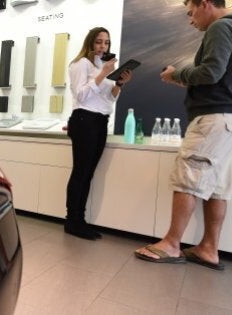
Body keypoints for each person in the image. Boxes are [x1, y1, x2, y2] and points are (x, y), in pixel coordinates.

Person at [135, 0, 232, 269]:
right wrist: (187, 79)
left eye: (191, 13)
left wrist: (175, 74)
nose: (190, 20)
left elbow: (211, 72)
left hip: (212, 119)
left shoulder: (221, 27)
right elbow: (218, 75)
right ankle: (208, 248)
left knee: (187, 176)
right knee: (217, 187)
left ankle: (171, 243)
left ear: (205, 4)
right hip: (230, 119)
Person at [65, 27, 132, 240]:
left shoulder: (103, 67)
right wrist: (103, 74)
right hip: (84, 120)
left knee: (88, 174)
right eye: (99, 42)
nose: (103, 47)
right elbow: (82, 96)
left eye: (107, 43)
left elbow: (109, 100)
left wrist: (119, 83)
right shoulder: (80, 64)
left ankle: (79, 220)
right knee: (81, 172)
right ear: (90, 43)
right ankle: (72, 221)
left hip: (100, 121)